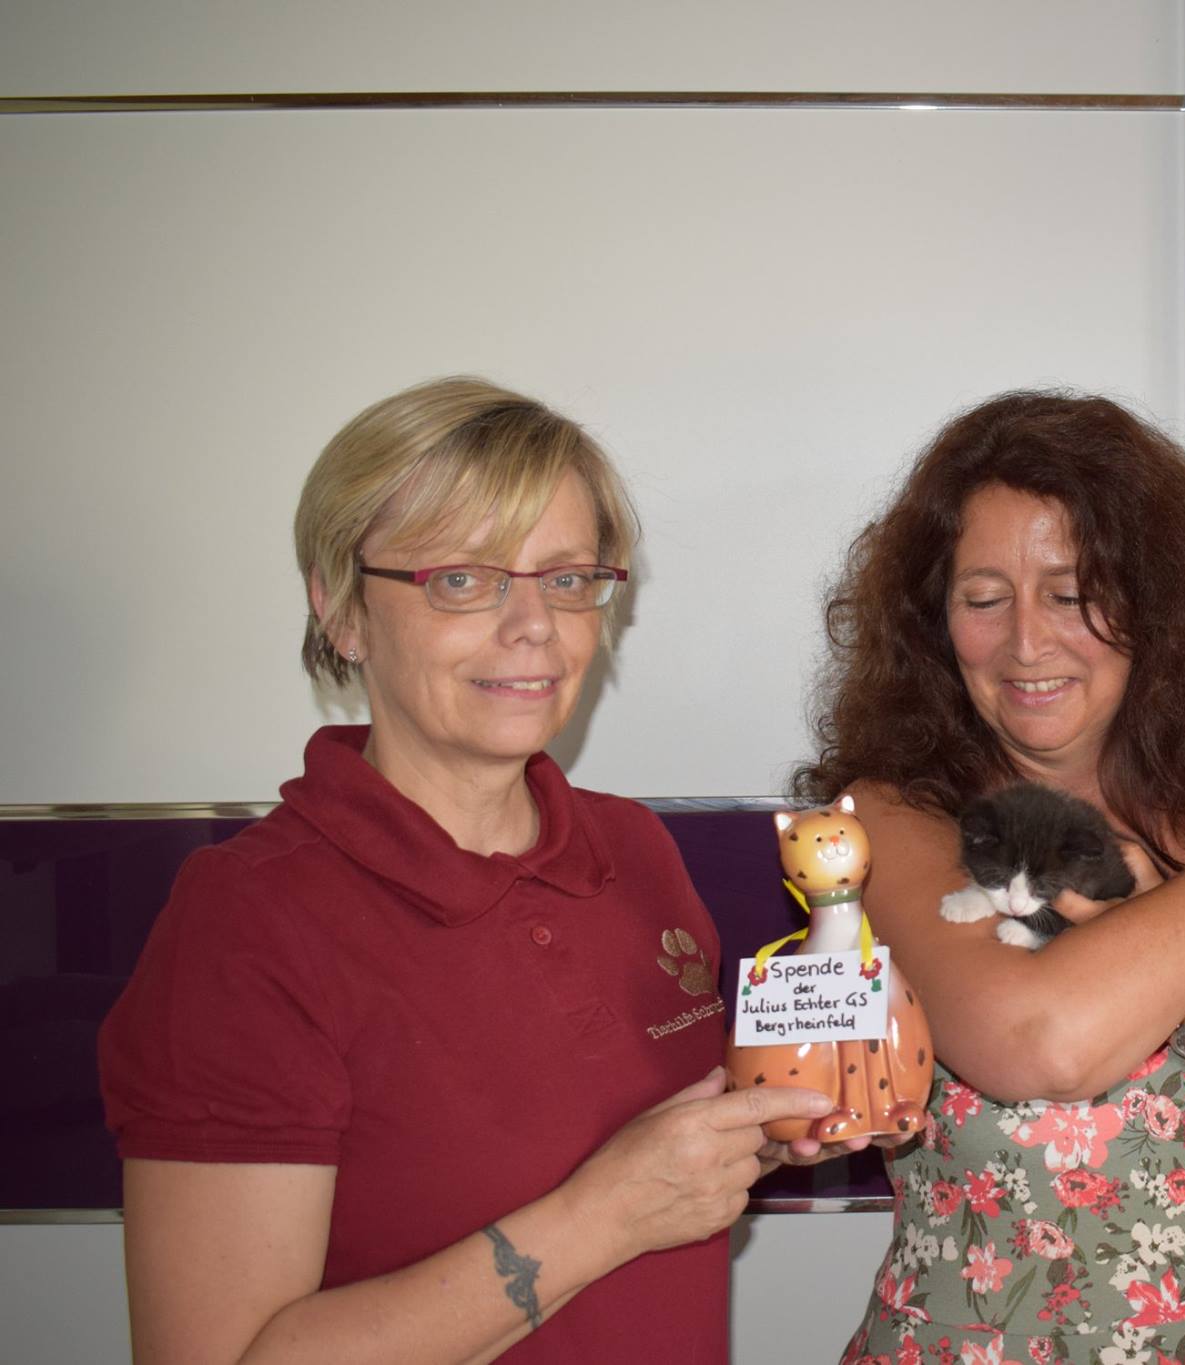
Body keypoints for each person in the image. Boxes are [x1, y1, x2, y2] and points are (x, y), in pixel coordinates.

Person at [98, 377, 836, 1363]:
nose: (533, 624)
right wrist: (608, 1213)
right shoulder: (247, 924)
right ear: (341, 610)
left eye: (566, 577)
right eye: (461, 579)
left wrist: (761, 1124)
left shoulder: (631, 850)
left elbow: (651, 1163)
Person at [801, 391, 1185, 1364]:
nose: (1026, 642)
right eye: (983, 598)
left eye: (1070, 592)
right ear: (933, 623)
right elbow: (1037, 1042)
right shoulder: (890, 822)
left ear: (1153, 606)